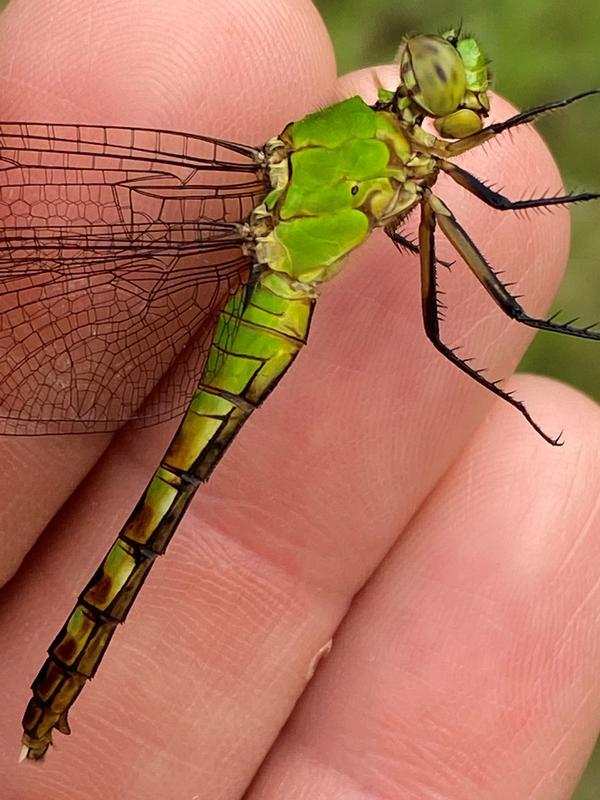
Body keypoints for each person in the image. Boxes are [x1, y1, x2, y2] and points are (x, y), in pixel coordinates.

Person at [1, 1, 599, 797]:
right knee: (163, 501)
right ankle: (51, 701)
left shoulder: (396, 155)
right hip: (267, 300)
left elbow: (500, 234)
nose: (469, 96)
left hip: (274, 285)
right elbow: (508, 216)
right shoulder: (406, 160)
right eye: (448, 79)